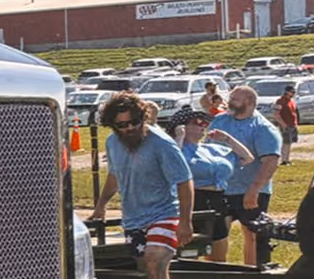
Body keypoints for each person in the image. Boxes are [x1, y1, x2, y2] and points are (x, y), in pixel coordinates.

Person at [90, 91, 193, 279]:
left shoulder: (161, 143)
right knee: (146, 269)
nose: (130, 128)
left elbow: (184, 181)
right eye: (122, 125)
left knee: (154, 262)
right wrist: (100, 206)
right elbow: (115, 176)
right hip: (133, 218)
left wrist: (185, 221)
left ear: (142, 118)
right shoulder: (112, 142)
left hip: (164, 213)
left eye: (134, 122)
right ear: (112, 125)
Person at [207, 86, 284, 266]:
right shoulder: (220, 121)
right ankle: (214, 272)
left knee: (253, 236)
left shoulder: (263, 127)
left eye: (235, 99)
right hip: (222, 189)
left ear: (248, 102)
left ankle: (252, 272)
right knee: (216, 236)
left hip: (250, 190)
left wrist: (254, 190)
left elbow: (271, 161)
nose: (229, 102)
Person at [167, 108, 254, 259]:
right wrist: (179, 138)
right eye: (196, 123)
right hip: (193, 201)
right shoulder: (177, 150)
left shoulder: (213, 149)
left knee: (219, 253)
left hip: (217, 200)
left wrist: (227, 138)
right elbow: (173, 165)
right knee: (188, 254)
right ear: (181, 127)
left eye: (205, 123)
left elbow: (247, 158)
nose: (203, 126)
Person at [275, 86, 299, 160]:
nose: (293, 93)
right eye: (291, 92)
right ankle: (284, 159)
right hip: (285, 125)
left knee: (290, 142)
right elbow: (276, 114)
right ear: (287, 92)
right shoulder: (280, 101)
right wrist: (283, 124)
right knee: (286, 143)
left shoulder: (291, 101)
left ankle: (287, 159)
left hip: (292, 124)